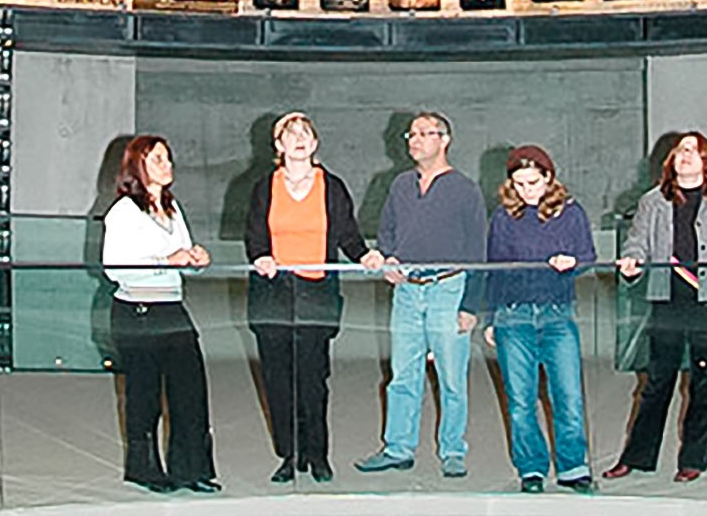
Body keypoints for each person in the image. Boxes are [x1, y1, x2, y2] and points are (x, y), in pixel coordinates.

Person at [247, 112, 383, 484]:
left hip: (316, 293)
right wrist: (261, 257)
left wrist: (365, 256)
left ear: (315, 142)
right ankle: (289, 455)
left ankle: (317, 454)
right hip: (273, 295)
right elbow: (255, 236)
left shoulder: (331, 186)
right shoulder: (264, 186)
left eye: (305, 133)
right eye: (290, 134)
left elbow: (348, 235)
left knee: (313, 378)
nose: (299, 139)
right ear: (279, 146)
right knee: (278, 380)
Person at [605, 132, 707, 483]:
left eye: (693, 150)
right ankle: (637, 456)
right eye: (680, 149)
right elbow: (637, 241)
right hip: (666, 303)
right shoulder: (652, 201)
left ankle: (694, 459)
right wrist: (632, 262)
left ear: (706, 161)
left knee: (704, 384)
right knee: (657, 383)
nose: (685, 155)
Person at [355, 113, 487, 477]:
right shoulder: (398, 184)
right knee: (403, 375)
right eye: (410, 134)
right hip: (408, 292)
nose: (415, 140)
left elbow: (479, 249)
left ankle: (453, 449)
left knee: (452, 377)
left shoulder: (465, 188)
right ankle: (398, 447)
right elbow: (387, 231)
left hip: (449, 288)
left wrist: (470, 305)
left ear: (445, 140)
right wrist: (388, 258)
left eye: (424, 133)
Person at [100, 136, 219, 495]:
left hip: (171, 307)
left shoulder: (171, 207)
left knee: (190, 390)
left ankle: (192, 469)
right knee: (144, 394)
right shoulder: (123, 211)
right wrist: (167, 262)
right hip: (136, 311)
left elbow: (180, 258)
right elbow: (114, 268)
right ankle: (144, 469)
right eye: (158, 159)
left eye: (168, 158)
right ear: (138, 166)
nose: (167, 165)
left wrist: (195, 260)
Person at [484, 145, 596, 493]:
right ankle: (531, 468)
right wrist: (491, 317)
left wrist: (573, 262)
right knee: (520, 399)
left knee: (569, 396)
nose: (527, 190)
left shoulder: (572, 213)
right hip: (512, 316)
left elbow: (589, 256)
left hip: (557, 315)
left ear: (549, 177)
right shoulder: (504, 217)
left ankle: (573, 466)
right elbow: (495, 269)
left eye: (533, 182)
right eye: (519, 184)